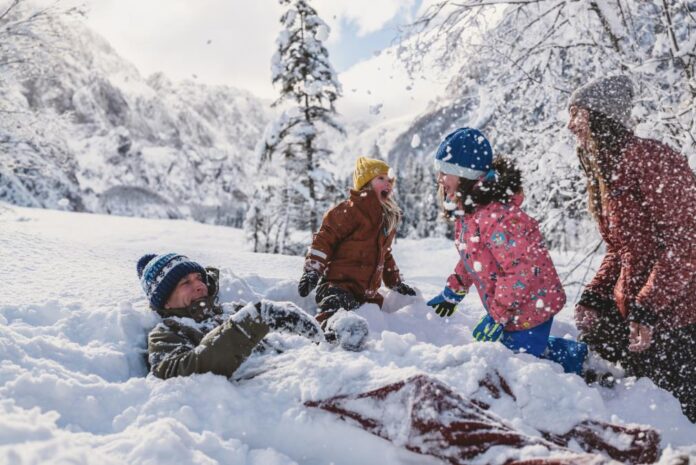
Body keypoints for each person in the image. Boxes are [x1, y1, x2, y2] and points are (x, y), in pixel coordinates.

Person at [567, 75, 696, 422]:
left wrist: (649, 306)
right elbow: (620, 250)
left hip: (681, 320)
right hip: (641, 315)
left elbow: (687, 243)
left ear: (599, 116)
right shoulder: (609, 169)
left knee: (680, 424)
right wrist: (595, 295)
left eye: (576, 114)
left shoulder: (653, 160)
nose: (569, 126)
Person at [427, 128, 586, 374]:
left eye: (445, 172)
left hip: (531, 304)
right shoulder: (471, 214)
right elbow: (473, 258)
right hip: (513, 304)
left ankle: (573, 368)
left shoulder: (497, 216)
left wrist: (497, 315)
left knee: (520, 364)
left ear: (465, 175)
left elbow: (521, 270)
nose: (440, 179)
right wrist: (454, 289)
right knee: (518, 351)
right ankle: (577, 356)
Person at [137, 253, 321, 380]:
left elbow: (282, 344)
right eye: (185, 283)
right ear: (165, 301)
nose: (199, 285)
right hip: (262, 404)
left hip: (297, 374)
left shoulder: (232, 310)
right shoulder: (166, 333)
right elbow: (178, 374)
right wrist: (252, 321)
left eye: (199, 278)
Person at [297, 156, 416, 350]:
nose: (387, 183)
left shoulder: (386, 219)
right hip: (338, 285)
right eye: (381, 178)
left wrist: (395, 281)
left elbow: (385, 254)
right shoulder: (349, 211)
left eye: (389, 180)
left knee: (365, 312)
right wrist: (313, 270)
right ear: (366, 184)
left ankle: (355, 334)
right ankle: (328, 335)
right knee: (337, 306)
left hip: (367, 294)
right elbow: (324, 239)